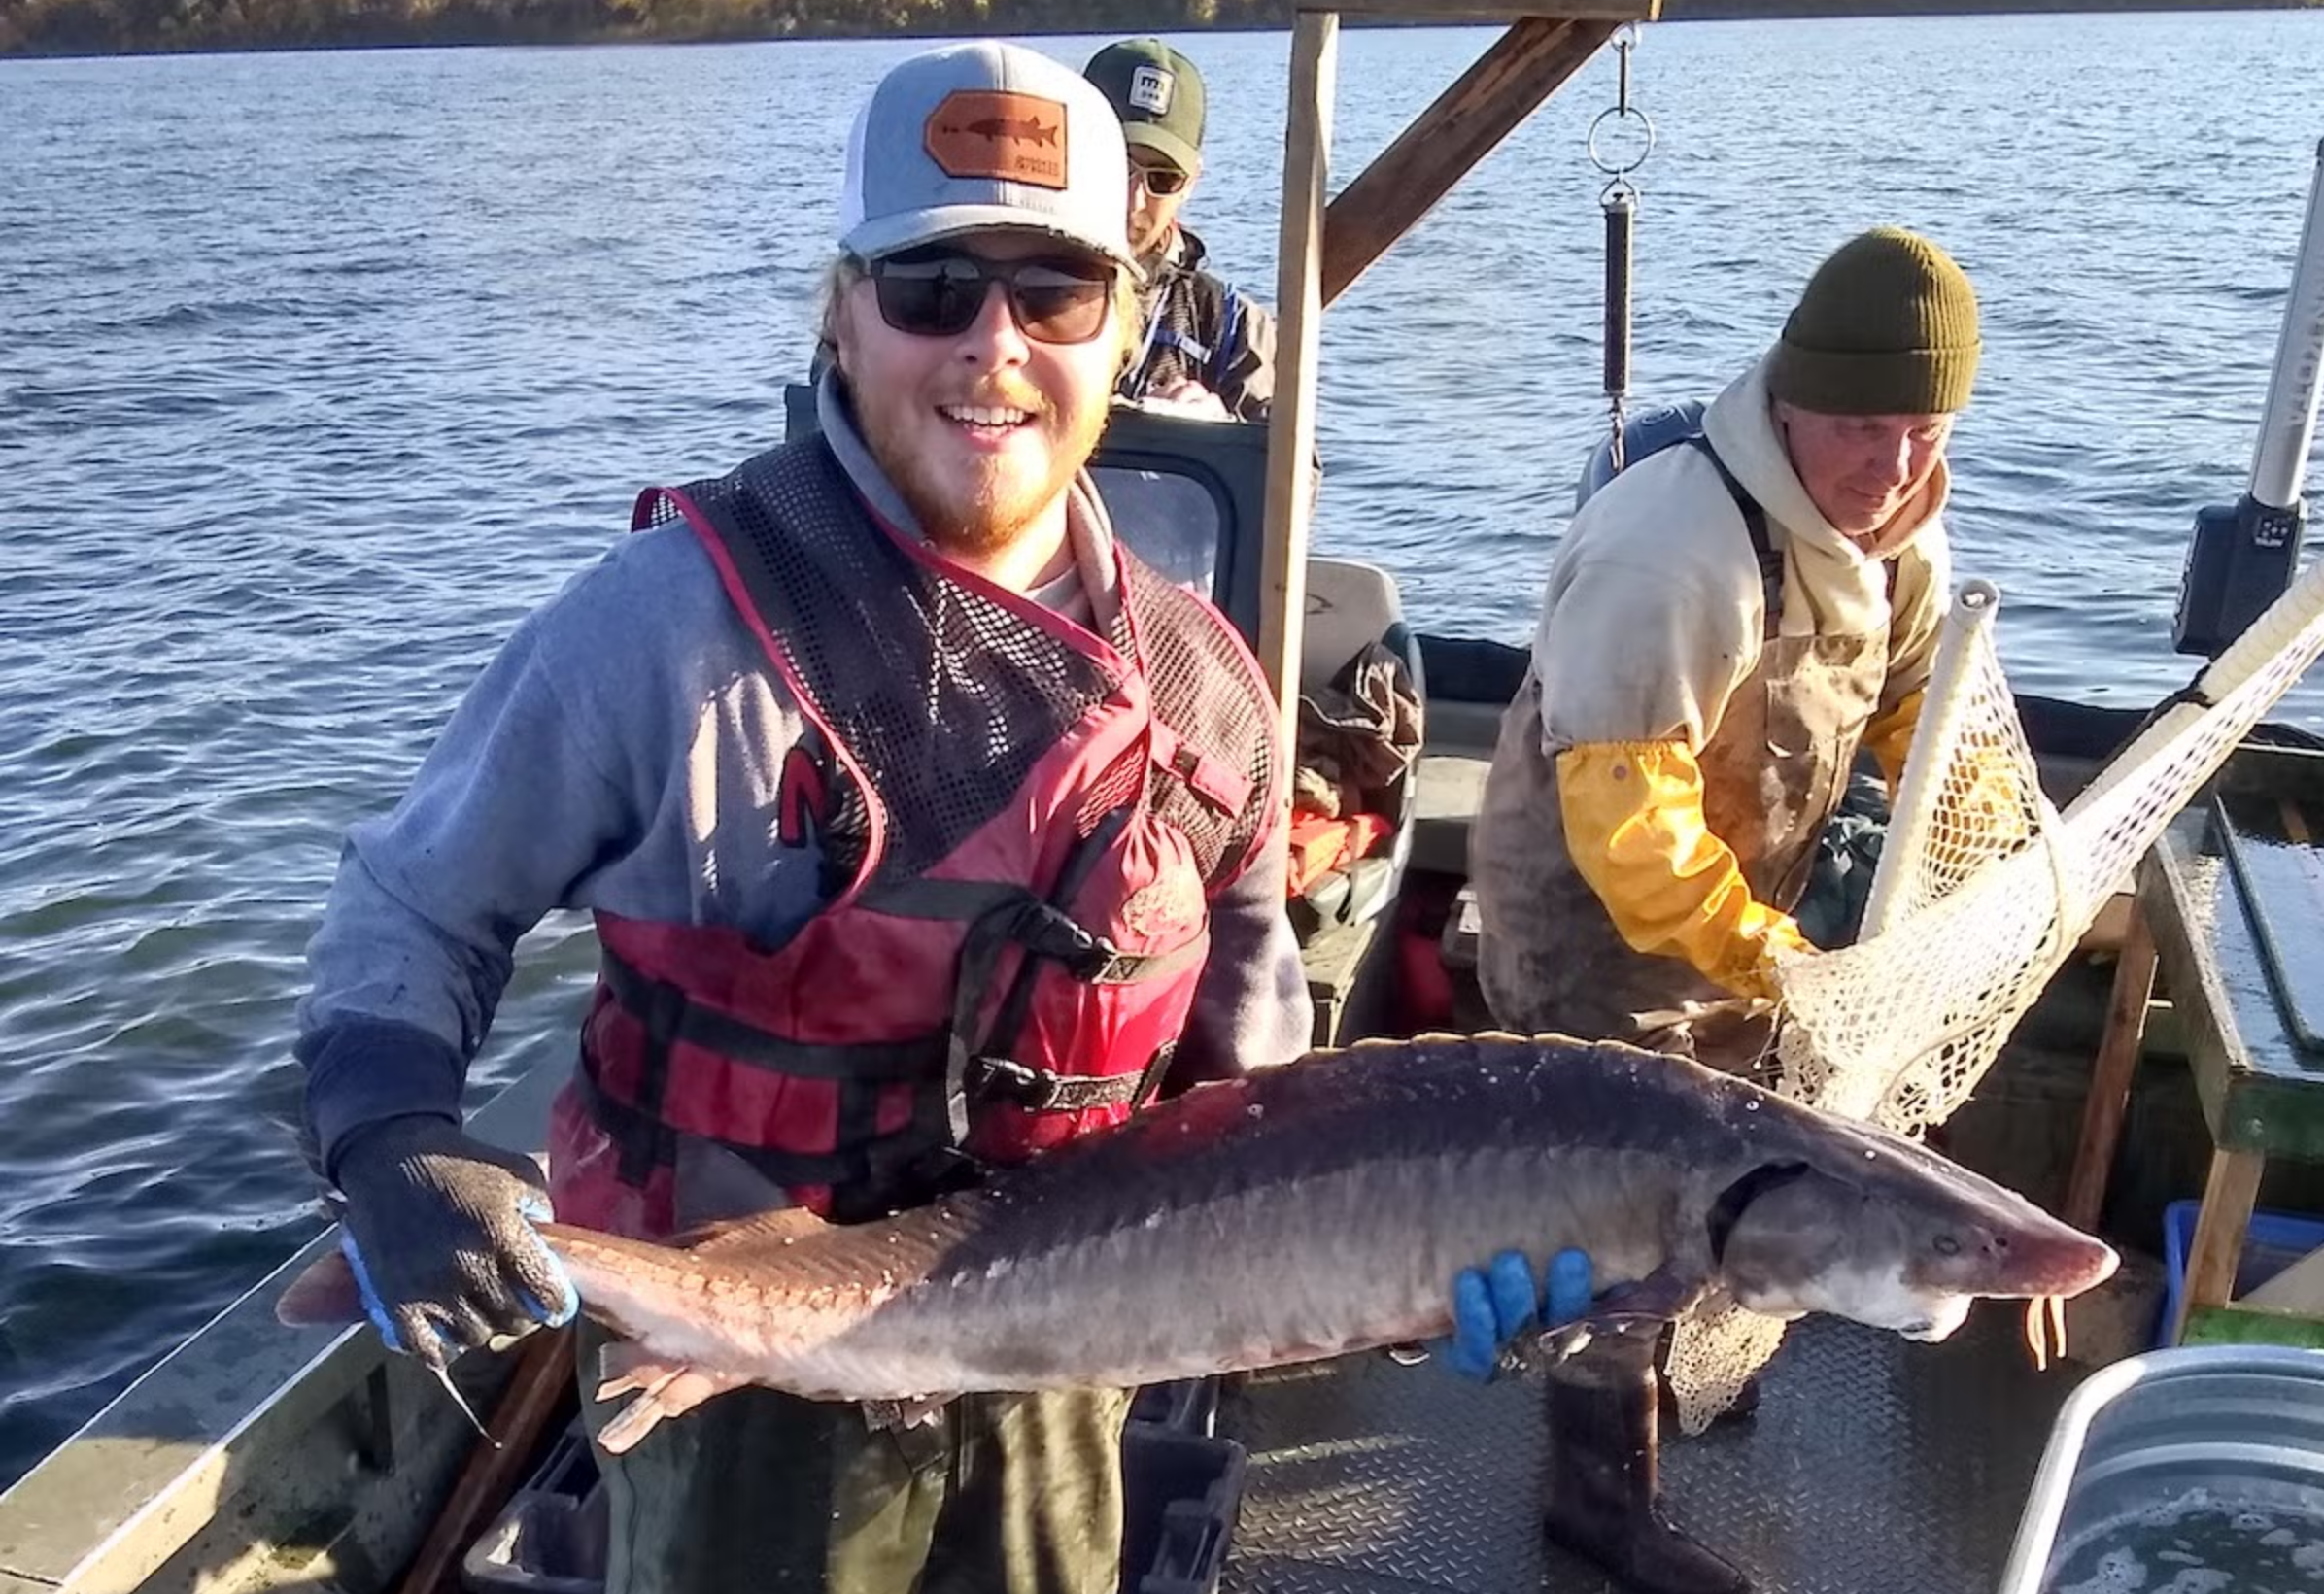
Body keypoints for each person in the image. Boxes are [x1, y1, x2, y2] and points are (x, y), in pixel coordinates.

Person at [292, 41, 1577, 1594]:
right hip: (738, 1381)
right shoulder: (664, 635)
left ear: (1124, 323)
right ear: (841, 311)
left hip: (1059, 1370)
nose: (994, 347)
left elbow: (1262, 1069)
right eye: (930, 289)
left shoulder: (1209, 688)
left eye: (1052, 292)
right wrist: (388, 1130)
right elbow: (413, 907)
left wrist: (1428, 1254)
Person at [1469, 225, 1982, 1594]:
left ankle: (1697, 1351)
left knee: (1711, 1192)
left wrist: (1987, 838)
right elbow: (1630, 841)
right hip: (1588, 931)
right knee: (1613, 1223)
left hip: (1736, 924)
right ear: (1790, 398)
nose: (1896, 466)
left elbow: (1927, 715)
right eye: (1865, 427)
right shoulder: (1672, 546)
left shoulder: (1895, 533)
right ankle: (1595, 1498)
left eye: (1925, 430)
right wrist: (1780, 963)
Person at [1082, 39, 1277, 422]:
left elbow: (1296, 473)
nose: (1134, 200)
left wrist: (1219, 436)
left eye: (1164, 179)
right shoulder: (1000, 290)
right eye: (1115, 165)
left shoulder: (1231, 326)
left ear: (1191, 183)